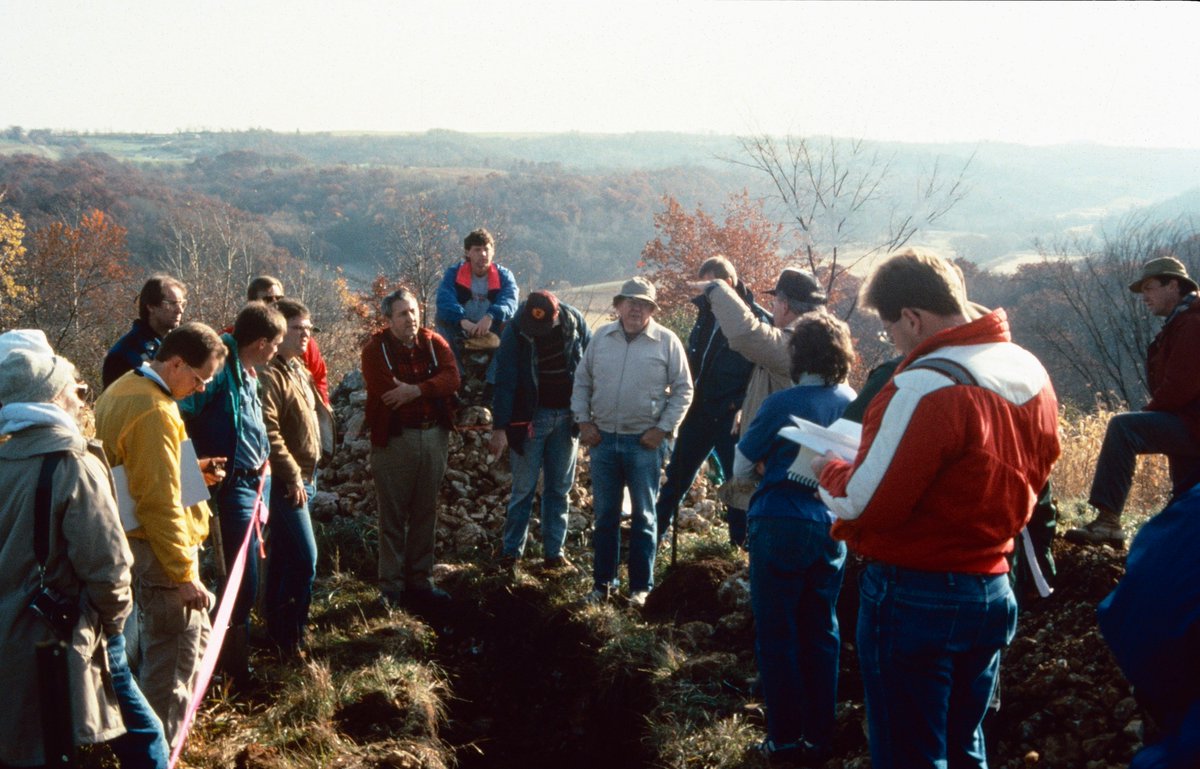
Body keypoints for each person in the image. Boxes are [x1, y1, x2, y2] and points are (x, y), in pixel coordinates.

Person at [812, 249, 1060, 769]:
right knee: (965, 745)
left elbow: (862, 504)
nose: (893, 342)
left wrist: (827, 470)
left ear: (912, 317)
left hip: (916, 594)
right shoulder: (1028, 370)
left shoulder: (927, 384)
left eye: (890, 329)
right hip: (993, 584)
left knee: (910, 755)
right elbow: (1042, 466)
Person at [0, 348, 170, 769]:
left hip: (11, 635)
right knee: (145, 738)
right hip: (65, 637)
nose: (81, 397)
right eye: (75, 388)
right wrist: (113, 629)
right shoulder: (73, 463)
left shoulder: (5, 459)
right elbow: (108, 566)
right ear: (54, 396)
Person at [95, 322, 227, 749]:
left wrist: (196, 472)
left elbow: (142, 473)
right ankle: (160, 752)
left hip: (140, 543)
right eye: (199, 378)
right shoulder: (154, 410)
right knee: (173, 660)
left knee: (177, 647)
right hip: (160, 553)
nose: (201, 389)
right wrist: (184, 573)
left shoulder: (123, 390)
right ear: (175, 363)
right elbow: (157, 501)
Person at [734, 314, 856, 767]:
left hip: (779, 520)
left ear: (798, 354)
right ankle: (818, 740)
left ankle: (783, 741)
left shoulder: (784, 402)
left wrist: (769, 468)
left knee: (777, 634)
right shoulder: (854, 401)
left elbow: (742, 463)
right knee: (822, 631)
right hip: (829, 524)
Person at [177, 302, 285, 687]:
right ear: (260, 342)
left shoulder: (250, 372)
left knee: (249, 576)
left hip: (257, 483)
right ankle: (227, 670)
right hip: (231, 485)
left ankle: (235, 661)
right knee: (240, 580)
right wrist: (193, 473)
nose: (278, 351)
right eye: (276, 343)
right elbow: (179, 414)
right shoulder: (220, 371)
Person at [571, 277, 693, 607]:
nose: (635, 308)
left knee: (644, 517)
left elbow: (684, 390)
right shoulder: (601, 339)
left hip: (644, 444)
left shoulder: (667, 342)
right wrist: (583, 421)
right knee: (606, 516)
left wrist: (663, 429)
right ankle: (603, 586)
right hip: (604, 442)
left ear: (652, 309)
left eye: (643, 303)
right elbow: (581, 382)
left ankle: (641, 589)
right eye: (630, 302)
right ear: (618, 305)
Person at [1066, 255, 1200, 548]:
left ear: (1173, 285)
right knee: (1186, 505)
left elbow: (1180, 386)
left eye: (1150, 288)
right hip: (1191, 426)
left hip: (1193, 425)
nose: (1145, 297)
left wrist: (1148, 415)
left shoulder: (1191, 323)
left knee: (1124, 429)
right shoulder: (1182, 321)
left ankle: (1108, 523)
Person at [655, 255, 768, 549]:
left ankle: (738, 549)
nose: (704, 293)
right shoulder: (705, 313)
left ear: (727, 284)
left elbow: (763, 371)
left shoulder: (756, 320)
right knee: (676, 478)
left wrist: (742, 405)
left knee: (738, 485)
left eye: (709, 286)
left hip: (731, 418)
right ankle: (652, 541)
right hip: (698, 412)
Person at [363, 287, 461, 606]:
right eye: (403, 313)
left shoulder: (434, 344)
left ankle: (421, 581)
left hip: (433, 436)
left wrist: (418, 390)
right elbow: (384, 387)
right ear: (388, 318)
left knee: (425, 510)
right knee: (392, 514)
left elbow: (452, 378)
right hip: (395, 440)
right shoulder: (376, 349)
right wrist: (427, 390)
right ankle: (390, 587)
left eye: (415, 312)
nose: (411, 319)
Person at [705, 267, 827, 512]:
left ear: (784, 306)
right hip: (802, 470)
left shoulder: (795, 347)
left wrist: (717, 289)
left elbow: (746, 335)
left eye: (775, 302)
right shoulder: (823, 344)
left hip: (781, 475)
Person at [489, 290, 591, 572]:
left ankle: (554, 555)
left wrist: (589, 415)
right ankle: (510, 555)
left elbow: (591, 364)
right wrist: (500, 428)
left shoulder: (575, 322)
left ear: (556, 316)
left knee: (559, 489)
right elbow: (505, 378)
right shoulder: (517, 329)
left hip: (568, 417)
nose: (537, 332)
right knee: (523, 489)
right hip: (530, 419)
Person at [259, 299, 333, 659]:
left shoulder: (297, 368)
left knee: (287, 559)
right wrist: (290, 476)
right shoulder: (270, 374)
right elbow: (269, 432)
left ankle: (281, 635)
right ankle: (291, 638)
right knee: (305, 559)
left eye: (309, 329)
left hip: (306, 476)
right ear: (279, 330)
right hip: (288, 483)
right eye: (298, 328)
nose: (306, 335)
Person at [435, 228, 519, 389]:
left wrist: (491, 316)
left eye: (486, 249)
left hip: (492, 327)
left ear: (493, 251)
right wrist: (462, 320)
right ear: (468, 253)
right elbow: (444, 300)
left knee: (513, 325)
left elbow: (510, 300)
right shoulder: (454, 273)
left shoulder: (504, 275)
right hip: (463, 327)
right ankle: (459, 375)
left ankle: (492, 381)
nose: (483, 255)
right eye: (477, 250)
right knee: (440, 318)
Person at [246, 275, 331, 406]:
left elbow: (319, 378)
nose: (275, 303)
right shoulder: (237, 336)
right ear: (252, 303)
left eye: (279, 298)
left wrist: (322, 411)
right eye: (268, 299)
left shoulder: (305, 342)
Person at [102, 275, 187, 389]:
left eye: (182, 304)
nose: (179, 310)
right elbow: (115, 402)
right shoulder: (123, 353)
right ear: (151, 306)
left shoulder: (182, 346)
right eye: (171, 303)